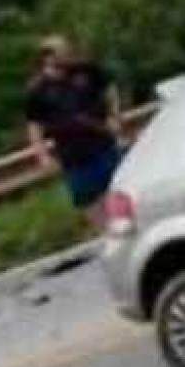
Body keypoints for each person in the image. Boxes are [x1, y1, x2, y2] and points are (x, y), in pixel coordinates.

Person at [24, 35, 124, 233]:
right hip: (73, 155)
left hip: (103, 143)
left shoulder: (85, 70)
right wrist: (42, 155)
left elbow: (110, 88)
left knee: (120, 188)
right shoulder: (38, 90)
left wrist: (115, 116)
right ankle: (106, 234)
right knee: (88, 199)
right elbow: (34, 125)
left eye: (65, 51)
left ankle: (124, 229)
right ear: (46, 58)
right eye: (58, 52)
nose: (64, 56)